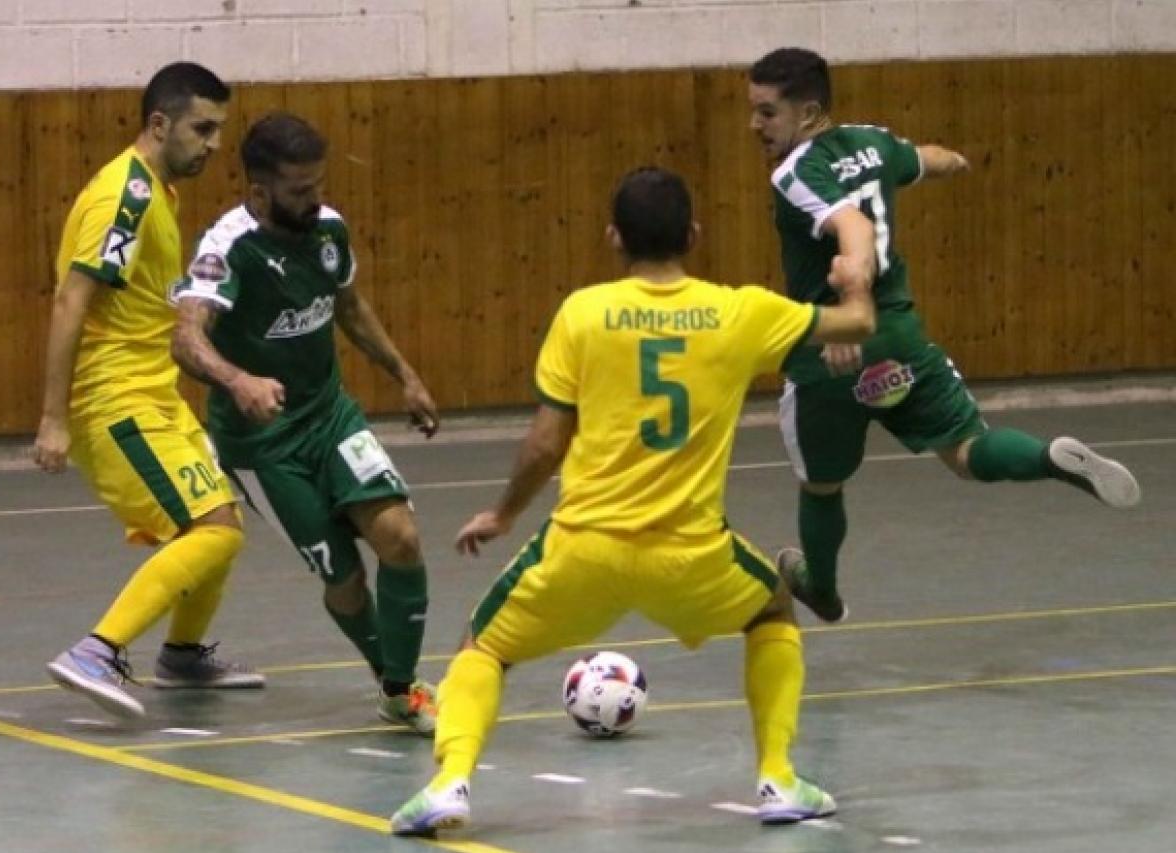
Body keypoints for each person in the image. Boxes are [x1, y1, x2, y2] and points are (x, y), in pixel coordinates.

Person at [390, 167, 877, 836]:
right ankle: (778, 776)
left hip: (583, 549)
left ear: (613, 237)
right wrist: (855, 273)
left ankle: (450, 783)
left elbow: (543, 443)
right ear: (695, 235)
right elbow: (858, 322)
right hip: (691, 553)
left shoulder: (583, 313)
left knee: (484, 645)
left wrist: (503, 513)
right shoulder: (743, 310)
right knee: (772, 608)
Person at [747, 48, 1142, 623]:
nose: (754, 126)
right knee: (965, 450)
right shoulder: (873, 141)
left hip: (831, 355)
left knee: (822, 488)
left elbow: (850, 227)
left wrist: (849, 300)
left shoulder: (793, 174)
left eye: (766, 113)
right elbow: (920, 160)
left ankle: (822, 590)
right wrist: (953, 160)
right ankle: (1049, 460)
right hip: (902, 341)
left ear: (807, 114)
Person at [169, 113, 440, 734]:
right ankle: (387, 673)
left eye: (318, 184)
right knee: (344, 578)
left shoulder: (329, 230)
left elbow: (349, 306)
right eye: (298, 190)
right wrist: (238, 380)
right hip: (261, 446)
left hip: (330, 417)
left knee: (399, 537)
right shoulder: (225, 249)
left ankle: (401, 690)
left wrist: (405, 374)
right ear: (259, 191)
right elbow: (185, 339)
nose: (314, 199)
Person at [34, 63, 263, 720]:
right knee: (210, 528)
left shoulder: (157, 188)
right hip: (115, 402)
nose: (215, 142)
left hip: (154, 394)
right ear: (159, 124)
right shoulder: (124, 199)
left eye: (219, 128)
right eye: (203, 127)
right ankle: (97, 650)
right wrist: (54, 418)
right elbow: (69, 301)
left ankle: (184, 653)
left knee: (224, 522)